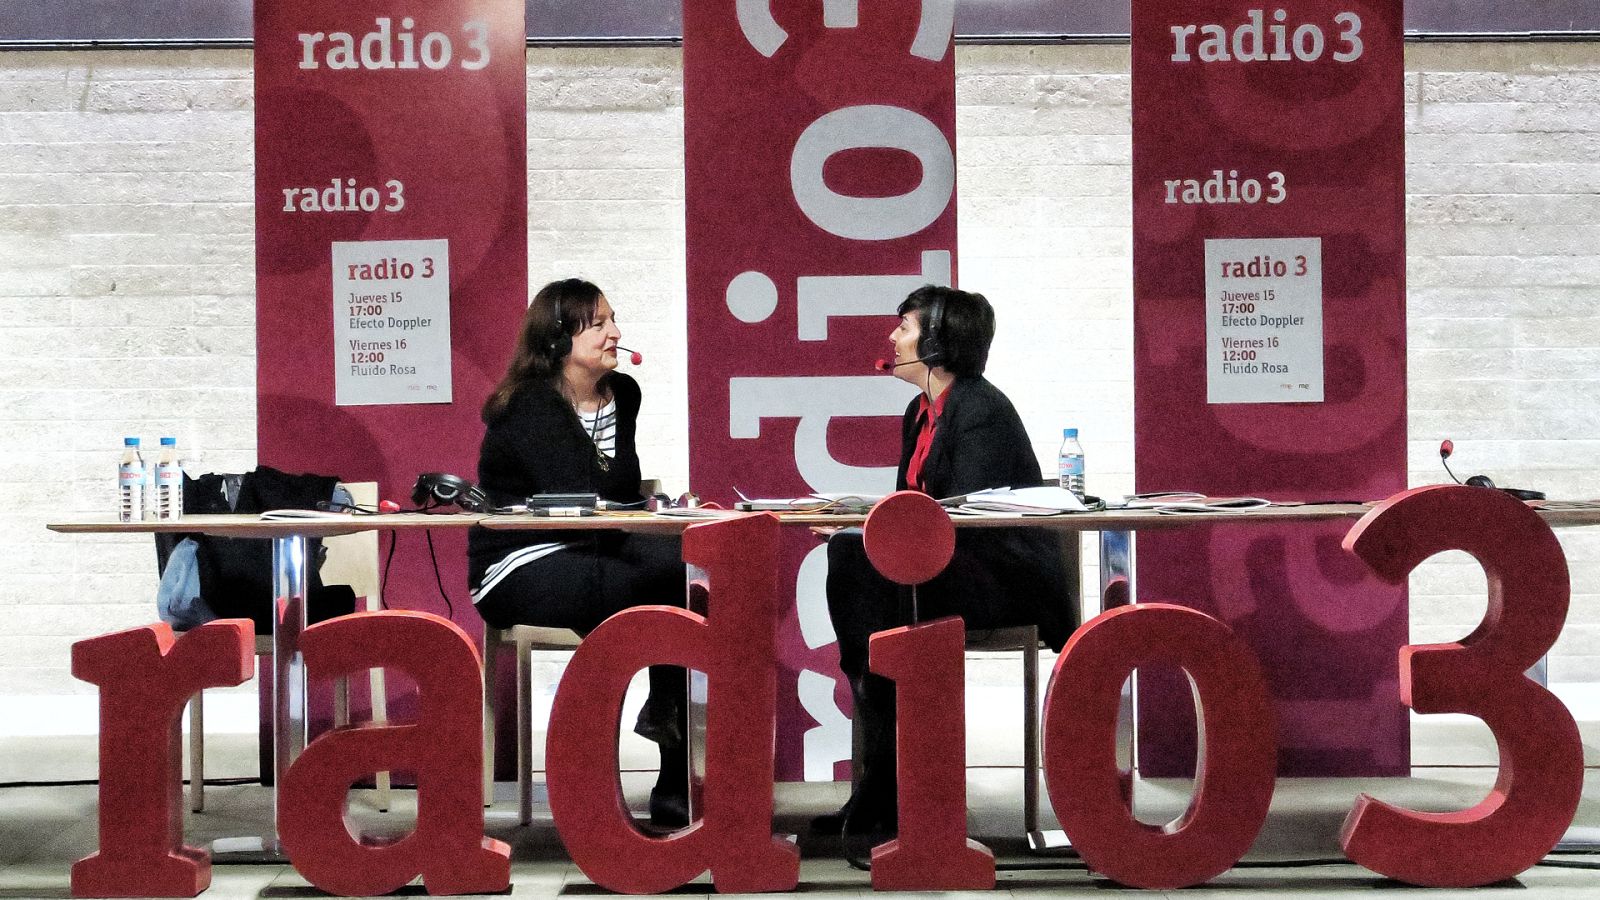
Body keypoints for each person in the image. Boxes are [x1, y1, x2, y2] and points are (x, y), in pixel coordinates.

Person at [815, 285, 1076, 840]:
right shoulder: (921, 410)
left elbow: (966, 520)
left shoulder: (979, 409)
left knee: (857, 575)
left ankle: (885, 778)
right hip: (942, 570)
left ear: (937, 342)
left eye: (904, 326)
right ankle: (885, 769)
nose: (892, 336)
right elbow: (912, 517)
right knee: (851, 560)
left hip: (999, 577)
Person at [469, 277, 688, 829]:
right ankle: (657, 750)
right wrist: (628, 507)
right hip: (518, 561)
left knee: (681, 577)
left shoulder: (625, 395)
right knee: (656, 584)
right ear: (557, 338)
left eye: (614, 320)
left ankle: (672, 751)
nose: (616, 333)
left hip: (593, 551)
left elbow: (618, 493)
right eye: (599, 324)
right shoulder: (529, 403)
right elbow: (583, 490)